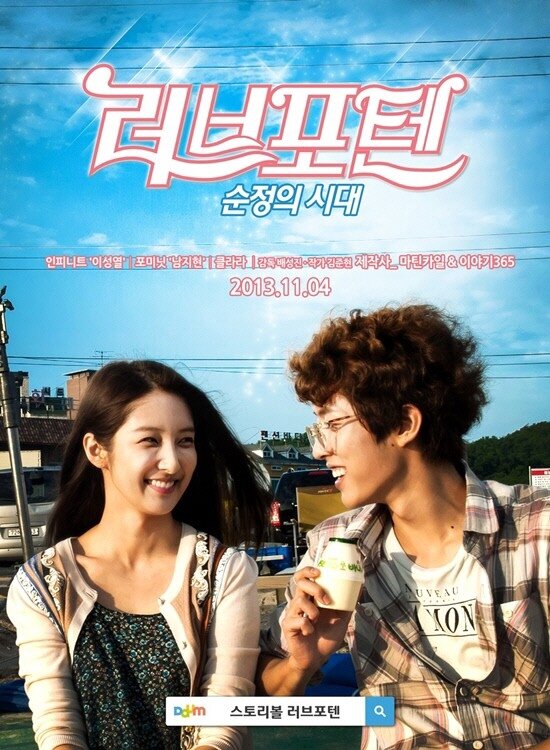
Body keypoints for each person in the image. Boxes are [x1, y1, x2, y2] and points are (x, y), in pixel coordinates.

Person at [257, 304, 550, 750]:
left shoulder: (536, 530)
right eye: (318, 430)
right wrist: (301, 663)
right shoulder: (332, 547)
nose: (320, 450)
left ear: (403, 424)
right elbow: (264, 684)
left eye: (333, 424)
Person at [8, 360, 272, 750]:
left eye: (185, 441)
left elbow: (221, 720)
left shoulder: (223, 571)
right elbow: (58, 726)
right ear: (97, 450)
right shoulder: (43, 585)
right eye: (150, 440)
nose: (173, 462)